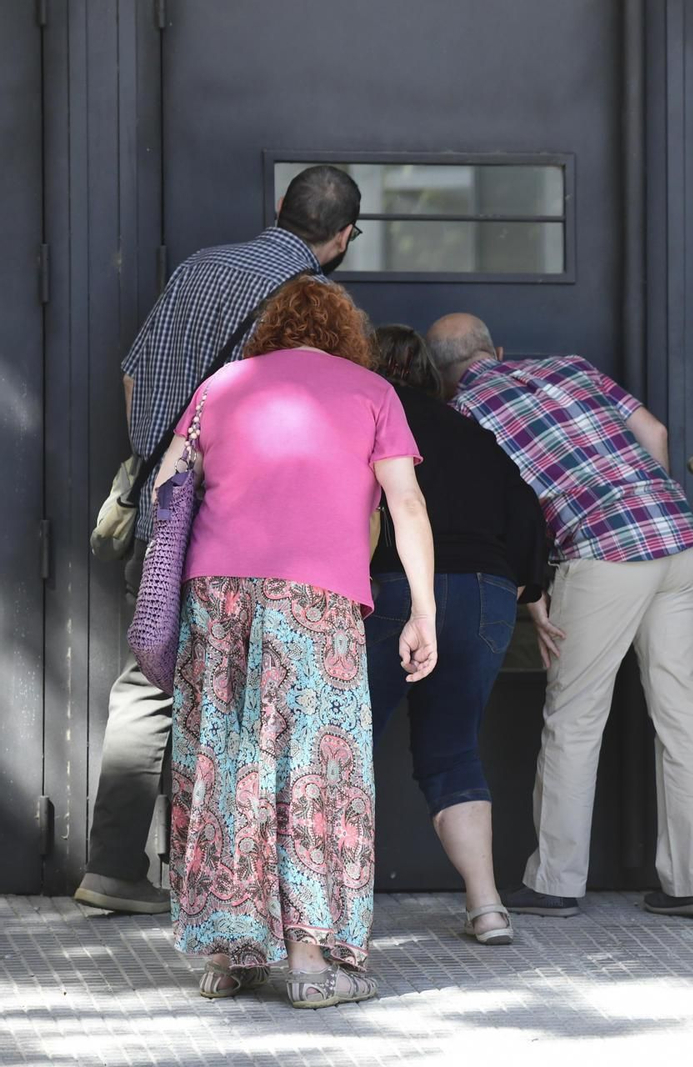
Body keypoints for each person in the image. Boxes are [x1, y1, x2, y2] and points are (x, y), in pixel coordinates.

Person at [77, 165, 364, 915]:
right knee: (255, 698)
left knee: (149, 681)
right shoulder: (318, 303)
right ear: (343, 239)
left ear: (277, 208)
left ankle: (111, 866)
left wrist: (162, 446)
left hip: (168, 506)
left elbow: (136, 377)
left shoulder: (200, 267)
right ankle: (252, 893)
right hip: (251, 526)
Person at [155, 277, 435, 1006]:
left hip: (217, 593)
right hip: (317, 598)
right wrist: (422, 609)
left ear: (270, 330)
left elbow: (169, 484)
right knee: (314, 764)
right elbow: (406, 501)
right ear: (344, 334)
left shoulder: (220, 386)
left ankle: (228, 955)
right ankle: (311, 965)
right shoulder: (372, 392)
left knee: (224, 757)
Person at [428, 313, 693, 919]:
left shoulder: (464, 416)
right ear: (498, 350)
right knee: (686, 710)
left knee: (576, 715)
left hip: (602, 552)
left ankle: (557, 881)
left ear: (442, 377)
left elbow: (508, 515)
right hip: (679, 539)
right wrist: (652, 507)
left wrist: (534, 595)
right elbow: (657, 431)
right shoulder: (570, 367)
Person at [365, 325, 550, 946]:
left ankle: (333, 908)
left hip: (391, 591)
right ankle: (488, 906)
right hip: (484, 592)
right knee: (452, 751)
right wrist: (525, 586)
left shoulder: (363, 422)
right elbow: (530, 524)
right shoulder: (474, 433)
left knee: (341, 747)